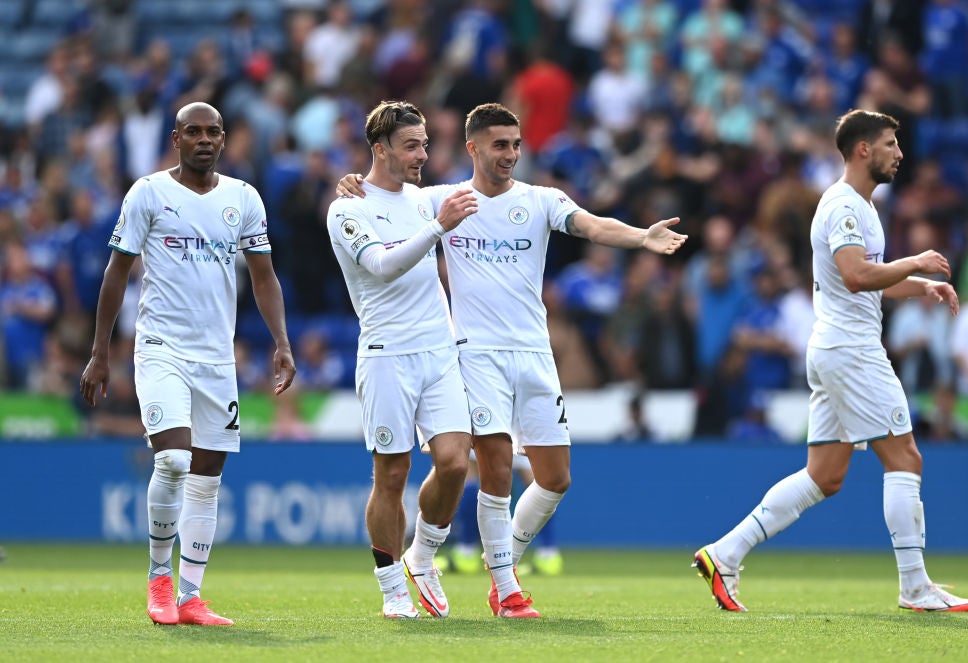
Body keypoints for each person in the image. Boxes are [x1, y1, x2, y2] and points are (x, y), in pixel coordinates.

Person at [338, 102, 686, 617]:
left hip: (535, 353)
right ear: (473, 147)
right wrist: (355, 185)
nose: (512, 154)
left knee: (555, 477)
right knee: (494, 468)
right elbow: (388, 197)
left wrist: (641, 236)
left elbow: (590, 226)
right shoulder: (441, 200)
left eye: (517, 144)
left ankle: (500, 558)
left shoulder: (541, 199)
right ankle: (504, 585)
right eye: (500, 145)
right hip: (473, 353)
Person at [693, 109, 968, 613]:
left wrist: (922, 286)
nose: (900, 153)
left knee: (824, 475)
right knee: (906, 458)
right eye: (891, 144)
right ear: (863, 150)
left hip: (833, 348)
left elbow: (871, 276)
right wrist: (916, 261)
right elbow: (854, 275)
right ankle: (915, 587)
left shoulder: (863, 207)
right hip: (852, 351)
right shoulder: (844, 207)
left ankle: (725, 553)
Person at [80, 102, 296, 627]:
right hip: (160, 348)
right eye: (193, 132)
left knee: (207, 477)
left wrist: (282, 341)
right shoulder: (149, 193)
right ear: (176, 139)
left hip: (216, 356)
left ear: (224, 139)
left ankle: (191, 595)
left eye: (213, 132)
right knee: (174, 461)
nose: (204, 139)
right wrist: (99, 352)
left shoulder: (243, 197)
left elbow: (264, 277)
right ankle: (158, 579)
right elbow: (117, 272)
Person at [326, 101, 478, 619]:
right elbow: (382, 265)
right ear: (380, 149)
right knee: (390, 477)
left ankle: (423, 556)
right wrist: (438, 227)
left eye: (426, 144)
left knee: (456, 462)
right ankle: (392, 588)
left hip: (439, 351)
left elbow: (486, 191)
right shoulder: (347, 208)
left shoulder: (421, 198)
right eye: (411, 145)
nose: (422, 154)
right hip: (388, 355)